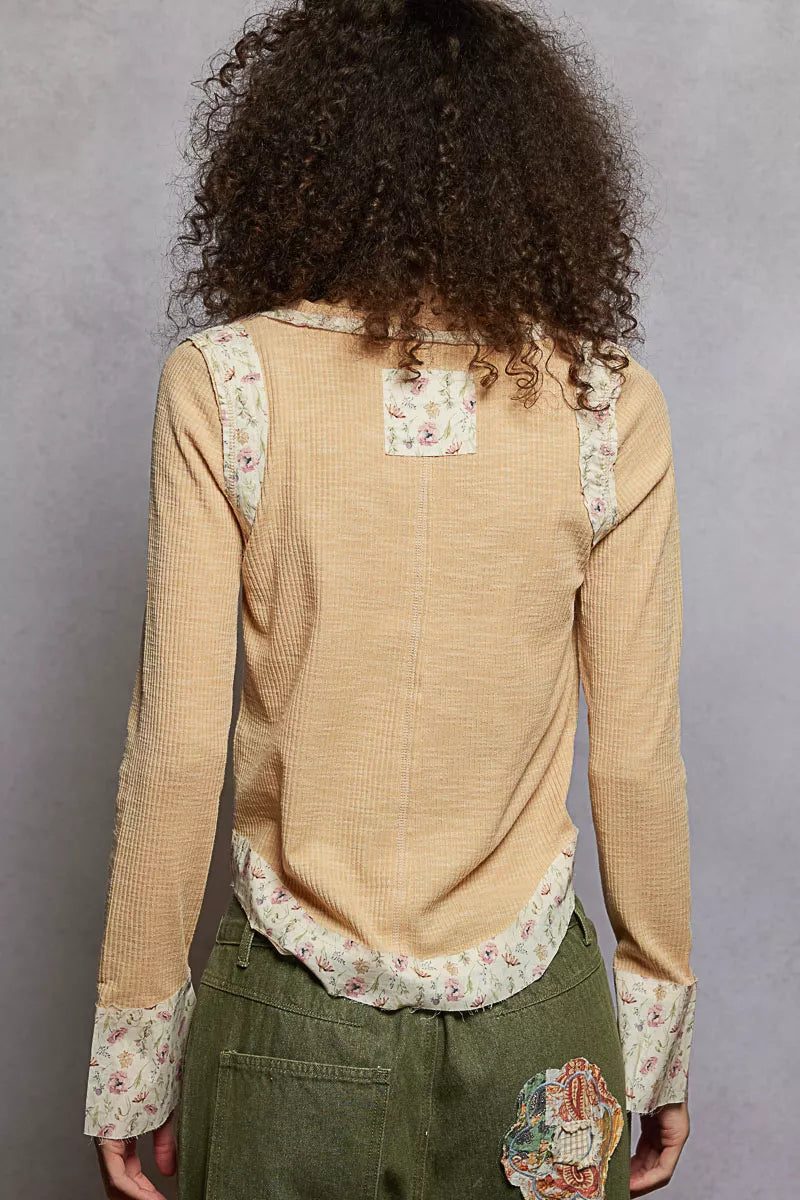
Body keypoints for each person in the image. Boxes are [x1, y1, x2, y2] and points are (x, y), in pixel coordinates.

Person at [84, 2, 698, 1197]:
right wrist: (658, 1039)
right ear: (540, 177)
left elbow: (174, 750)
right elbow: (636, 758)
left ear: (299, 162)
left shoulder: (226, 383)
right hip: (542, 1039)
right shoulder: (606, 403)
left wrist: (132, 1063)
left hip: (289, 1036)